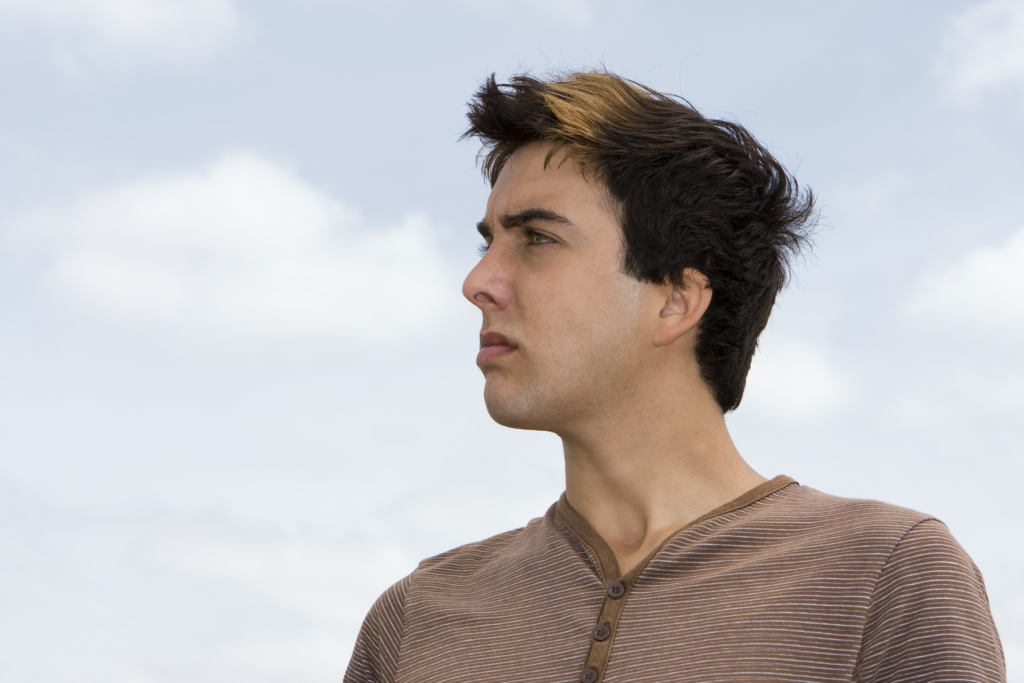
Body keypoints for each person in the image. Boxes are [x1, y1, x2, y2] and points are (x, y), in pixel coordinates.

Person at [343, 71, 1005, 683]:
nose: (478, 281)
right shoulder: (414, 619)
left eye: (537, 238)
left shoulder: (886, 575)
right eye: (486, 242)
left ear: (675, 301)